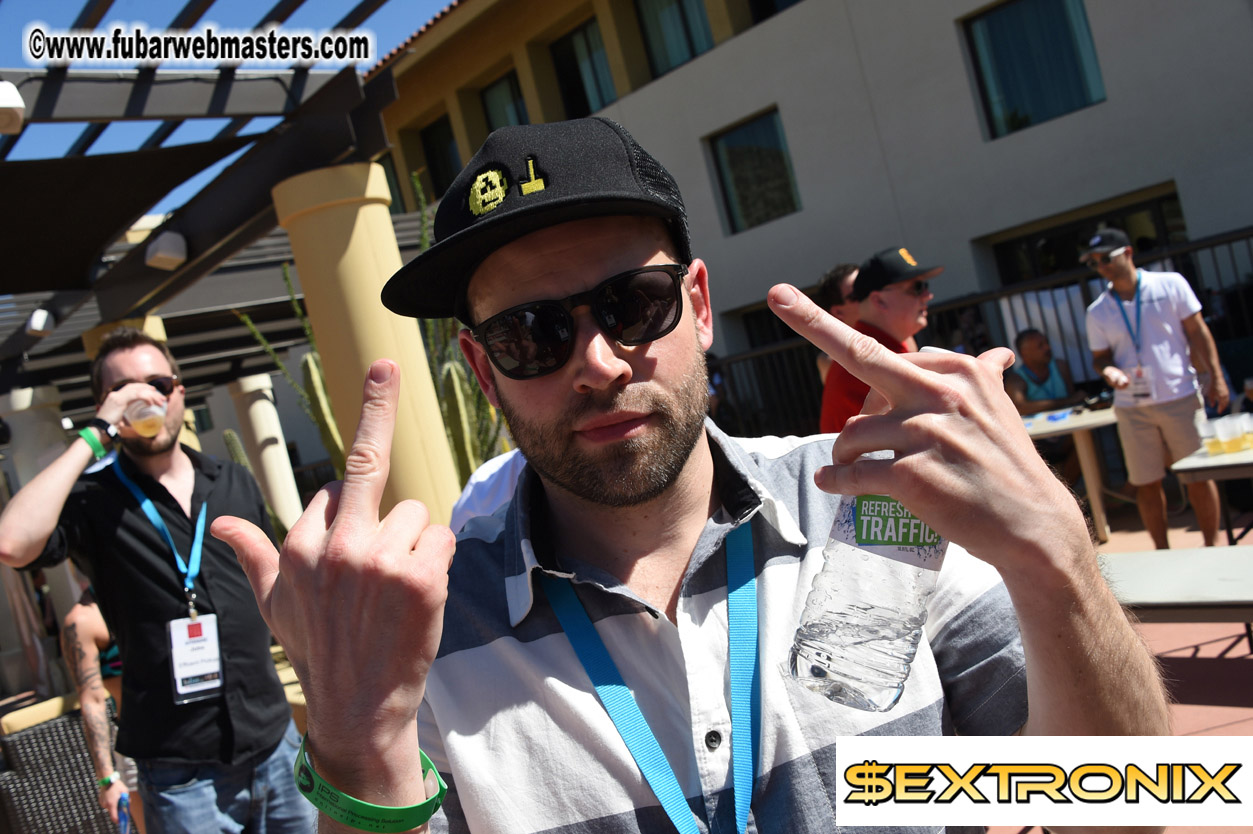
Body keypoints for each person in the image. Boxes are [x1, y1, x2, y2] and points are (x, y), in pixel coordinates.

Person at [212, 118, 1169, 834]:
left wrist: (1060, 564)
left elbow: (1122, 802)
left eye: (633, 302)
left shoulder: (879, 515)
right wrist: (360, 747)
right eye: (531, 333)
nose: (595, 361)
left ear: (699, 306)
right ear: (480, 368)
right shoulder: (416, 635)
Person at [0, 327, 315, 834]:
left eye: (158, 384)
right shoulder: (91, 498)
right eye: (123, 389)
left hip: (276, 743)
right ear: (105, 405)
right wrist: (95, 433)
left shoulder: (231, 478)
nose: (145, 396)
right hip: (179, 773)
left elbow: (275, 587)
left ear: (179, 392)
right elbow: (13, 542)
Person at [1083, 227, 1226, 550]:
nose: (1102, 266)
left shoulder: (1170, 284)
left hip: (1180, 395)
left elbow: (1198, 332)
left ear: (1128, 253)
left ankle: (1213, 549)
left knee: (1198, 476)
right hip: (1132, 406)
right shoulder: (1099, 311)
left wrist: (1216, 377)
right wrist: (1109, 371)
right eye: (1094, 262)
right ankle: (1162, 554)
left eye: (1106, 258)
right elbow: (1099, 358)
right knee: (1147, 483)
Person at [819, 247, 942, 433]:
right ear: (879, 301)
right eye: (916, 288)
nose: (927, 295)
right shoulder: (871, 359)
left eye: (925, 286)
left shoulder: (882, 348)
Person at [61, 588, 145, 831]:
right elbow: (92, 701)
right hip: (137, 746)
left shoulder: (161, 590)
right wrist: (107, 779)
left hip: (198, 729)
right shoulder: (82, 621)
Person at [1005, 328, 1087, 483]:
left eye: (1047, 343)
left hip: (1066, 433)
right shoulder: (1015, 380)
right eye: (1040, 345)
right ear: (1025, 353)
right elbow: (1021, 407)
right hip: (1039, 442)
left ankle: (1065, 494)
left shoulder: (1060, 367)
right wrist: (1064, 401)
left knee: (1086, 444)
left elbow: (1074, 401)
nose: (1047, 348)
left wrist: (1067, 401)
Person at [812, 263, 860, 382]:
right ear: (838, 312)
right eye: (857, 294)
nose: (869, 296)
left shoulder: (899, 332)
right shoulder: (831, 361)